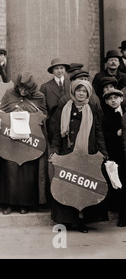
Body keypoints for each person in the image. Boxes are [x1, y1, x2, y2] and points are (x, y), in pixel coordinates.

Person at [50, 80, 109, 233]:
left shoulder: (92, 109)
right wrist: (55, 149)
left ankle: (82, 221)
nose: (81, 93)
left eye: (84, 91)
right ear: (73, 92)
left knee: (84, 186)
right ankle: (67, 221)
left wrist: (103, 152)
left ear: (88, 93)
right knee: (67, 185)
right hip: (67, 151)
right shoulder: (64, 108)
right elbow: (57, 131)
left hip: (86, 153)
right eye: (79, 90)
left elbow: (98, 132)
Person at [0, 72, 47, 215]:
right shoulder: (9, 93)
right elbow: (1, 112)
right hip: (10, 139)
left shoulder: (39, 97)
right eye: (20, 88)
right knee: (9, 170)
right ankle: (8, 204)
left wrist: (27, 113)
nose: (22, 91)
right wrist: (13, 111)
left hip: (29, 140)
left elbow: (43, 116)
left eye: (26, 89)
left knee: (27, 172)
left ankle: (25, 204)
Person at [102, 89, 126, 227]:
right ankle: (122, 215)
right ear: (106, 101)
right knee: (120, 184)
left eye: (116, 97)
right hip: (117, 155)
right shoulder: (106, 117)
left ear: (121, 99)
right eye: (110, 98)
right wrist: (116, 133)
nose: (113, 100)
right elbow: (104, 136)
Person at [40, 58, 71, 145]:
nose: (59, 71)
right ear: (52, 71)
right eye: (56, 68)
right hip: (53, 123)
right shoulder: (45, 87)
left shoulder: (72, 85)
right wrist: (48, 118)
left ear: (65, 69)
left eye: (61, 68)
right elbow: (42, 106)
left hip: (70, 120)